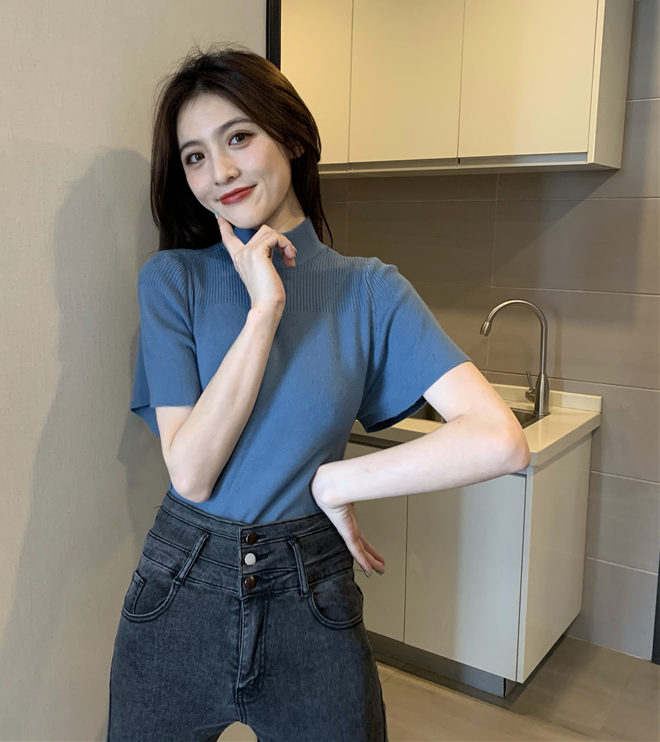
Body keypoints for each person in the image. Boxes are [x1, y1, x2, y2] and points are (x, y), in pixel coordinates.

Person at [107, 44, 530, 742]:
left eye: (238, 137)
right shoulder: (173, 280)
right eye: (195, 156)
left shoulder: (369, 290)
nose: (220, 172)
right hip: (180, 586)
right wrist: (263, 311)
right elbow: (191, 472)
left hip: (311, 592)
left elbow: (500, 440)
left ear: (294, 138)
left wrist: (337, 480)